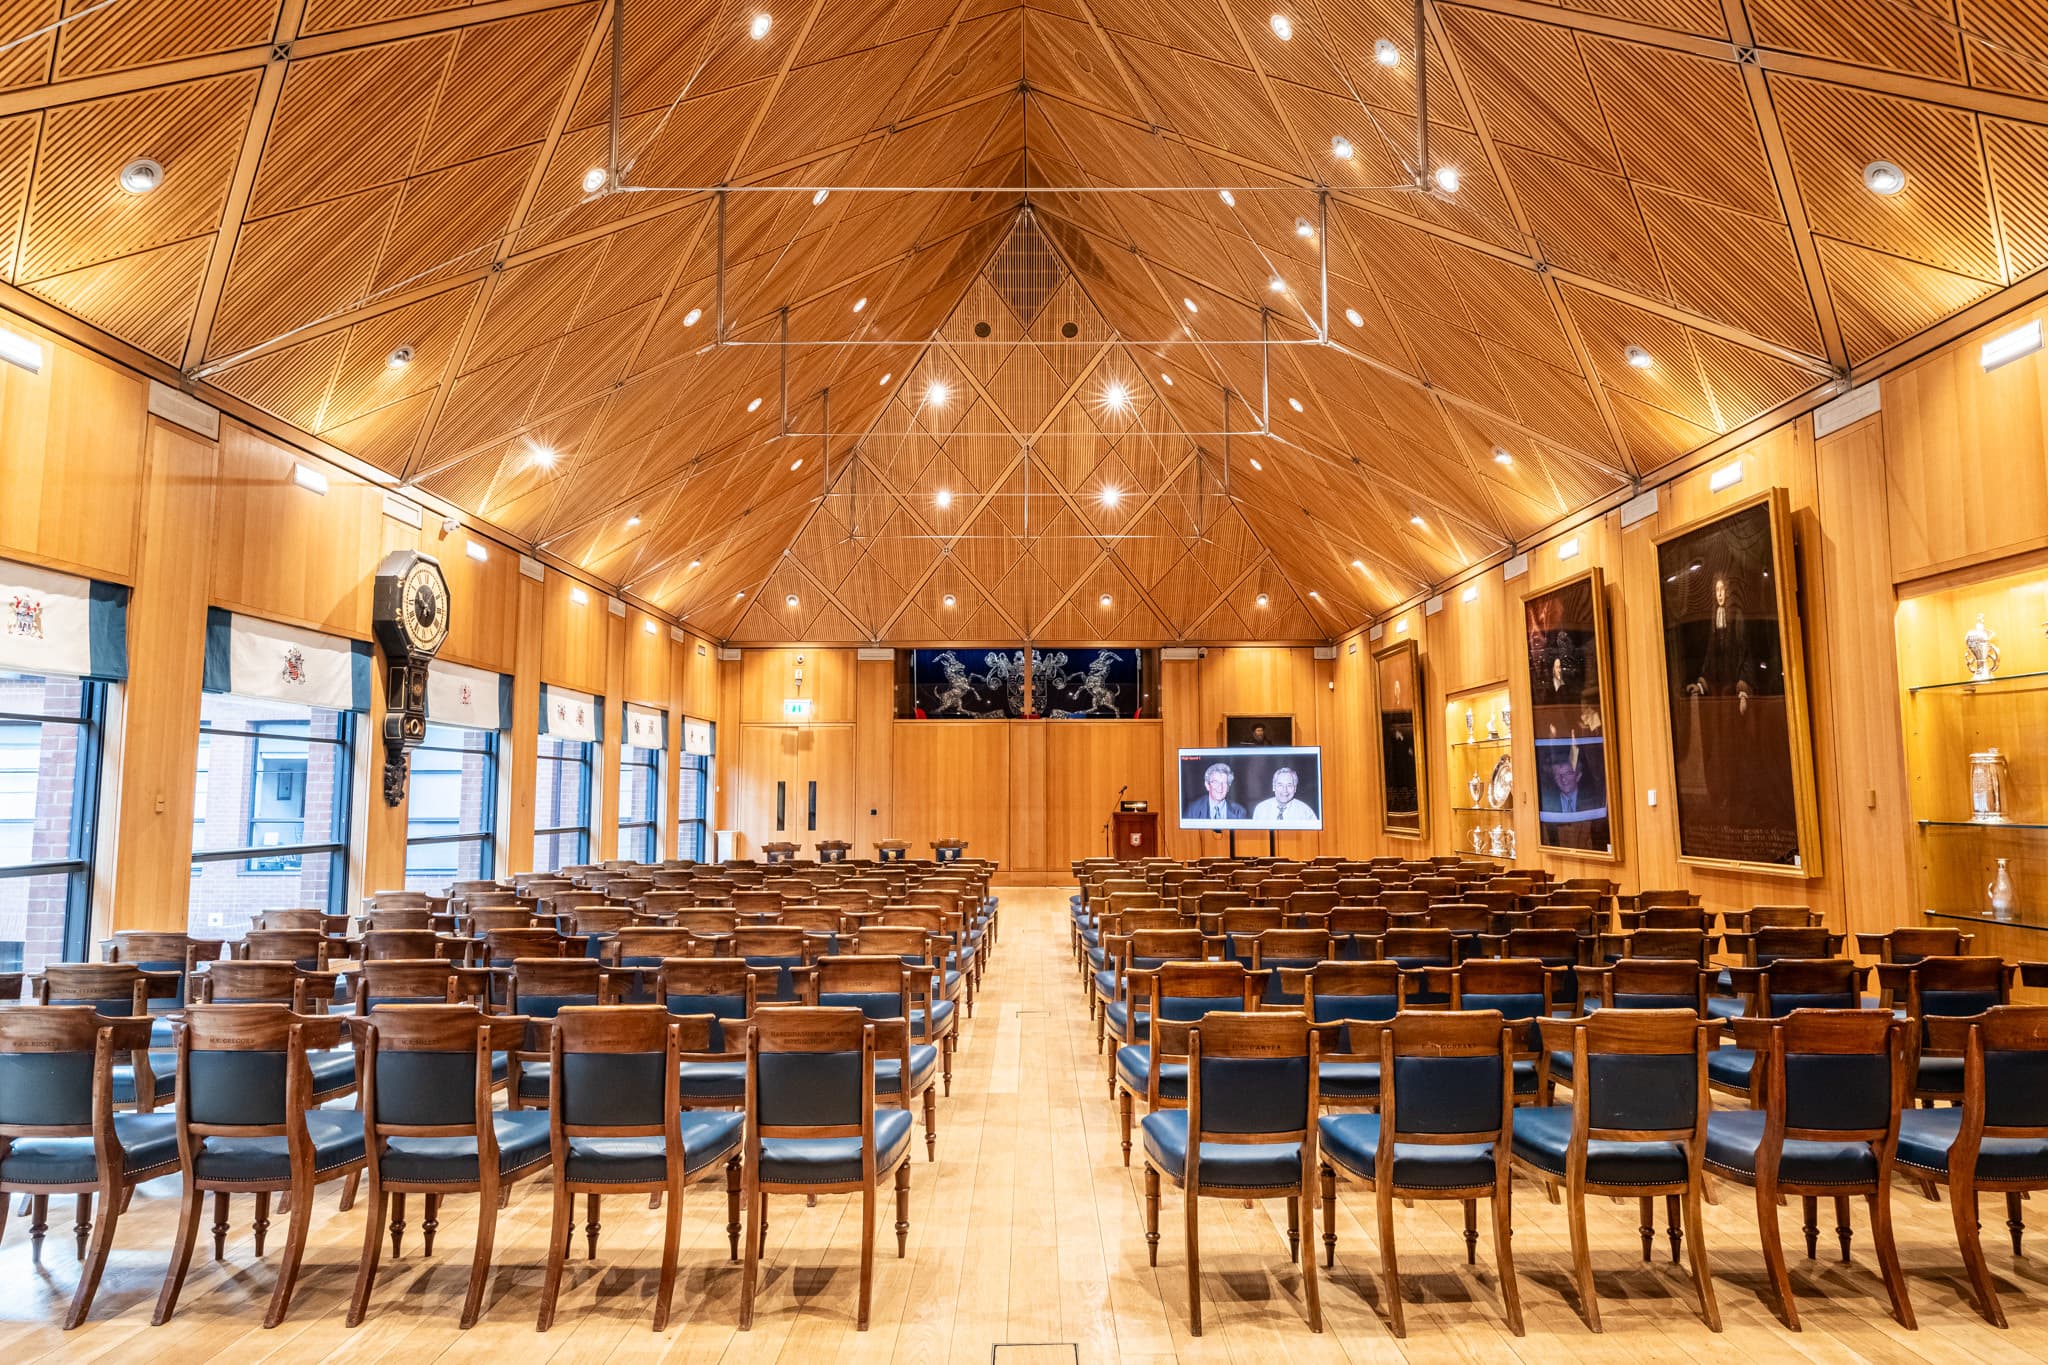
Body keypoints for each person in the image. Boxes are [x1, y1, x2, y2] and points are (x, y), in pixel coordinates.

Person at [1250, 767, 1318, 823]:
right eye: (1280, 785)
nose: (1284, 790)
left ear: (1295, 788)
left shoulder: (1305, 812)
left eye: (1289, 785)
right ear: (1274, 787)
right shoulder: (1261, 809)